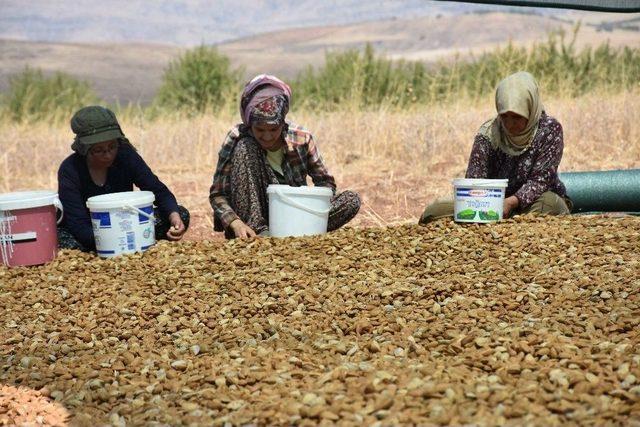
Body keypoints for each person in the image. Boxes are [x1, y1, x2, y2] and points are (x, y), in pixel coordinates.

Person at [210, 74, 361, 238]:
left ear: (283, 123)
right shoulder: (237, 137)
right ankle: (258, 232)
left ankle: (302, 232)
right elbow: (218, 194)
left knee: (350, 200)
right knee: (245, 147)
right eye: (260, 130)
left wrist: (307, 206)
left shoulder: (301, 138)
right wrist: (235, 223)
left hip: (293, 213)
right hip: (252, 222)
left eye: (274, 129)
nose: (267, 137)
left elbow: (325, 183)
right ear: (249, 123)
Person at [420, 71, 570, 224]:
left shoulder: (549, 130)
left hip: (535, 200)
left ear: (530, 109)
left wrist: (511, 202)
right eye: (504, 116)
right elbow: (475, 179)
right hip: (489, 203)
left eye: (517, 117)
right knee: (435, 212)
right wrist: (481, 204)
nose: (509, 124)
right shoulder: (488, 133)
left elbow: (541, 180)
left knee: (543, 209)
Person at [57, 105, 190, 251]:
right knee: (60, 238)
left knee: (180, 213)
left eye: (112, 147)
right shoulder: (70, 170)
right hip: (92, 232)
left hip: (126, 225)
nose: (107, 155)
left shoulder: (126, 156)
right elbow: (77, 223)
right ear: (84, 149)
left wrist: (174, 217)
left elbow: (158, 191)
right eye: (98, 150)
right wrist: (112, 240)